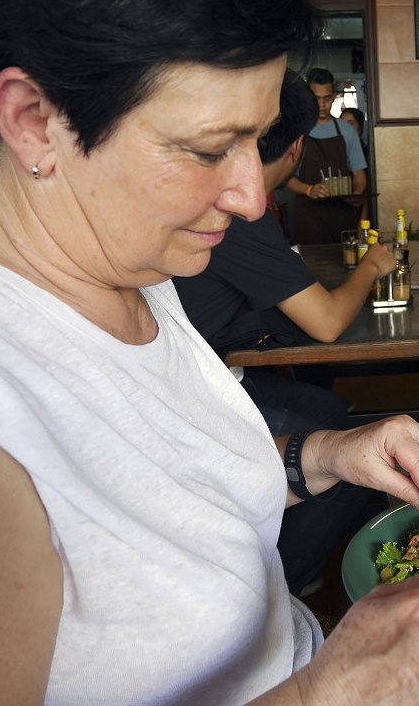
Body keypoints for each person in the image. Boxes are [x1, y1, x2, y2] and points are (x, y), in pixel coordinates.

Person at [0, 0, 419, 705]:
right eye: (209, 149)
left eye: (256, 142)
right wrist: (338, 694)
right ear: (33, 120)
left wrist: (322, 456)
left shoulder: (131, 261)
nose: (251, 198)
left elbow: (165, 482)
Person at [174, 71, 396, 596]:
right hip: (198, 389)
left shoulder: (228, 204)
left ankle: (286, 552)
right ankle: (284, 587)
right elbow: (327, 323)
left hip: (210, 369)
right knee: (351, 463)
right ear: (296, 146)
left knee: (330, 410)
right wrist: (371, 266)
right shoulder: (240, 213)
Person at [286, 67, 367, 244]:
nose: (322, 105)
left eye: (327, 98)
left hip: (343, 217)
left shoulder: (347, 131)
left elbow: (359, 175)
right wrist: (309, 189)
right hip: (309, 218)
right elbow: (287, 179)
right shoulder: (297, 132)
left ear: (334, 96)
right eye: (316, 99)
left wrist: (357, 193)